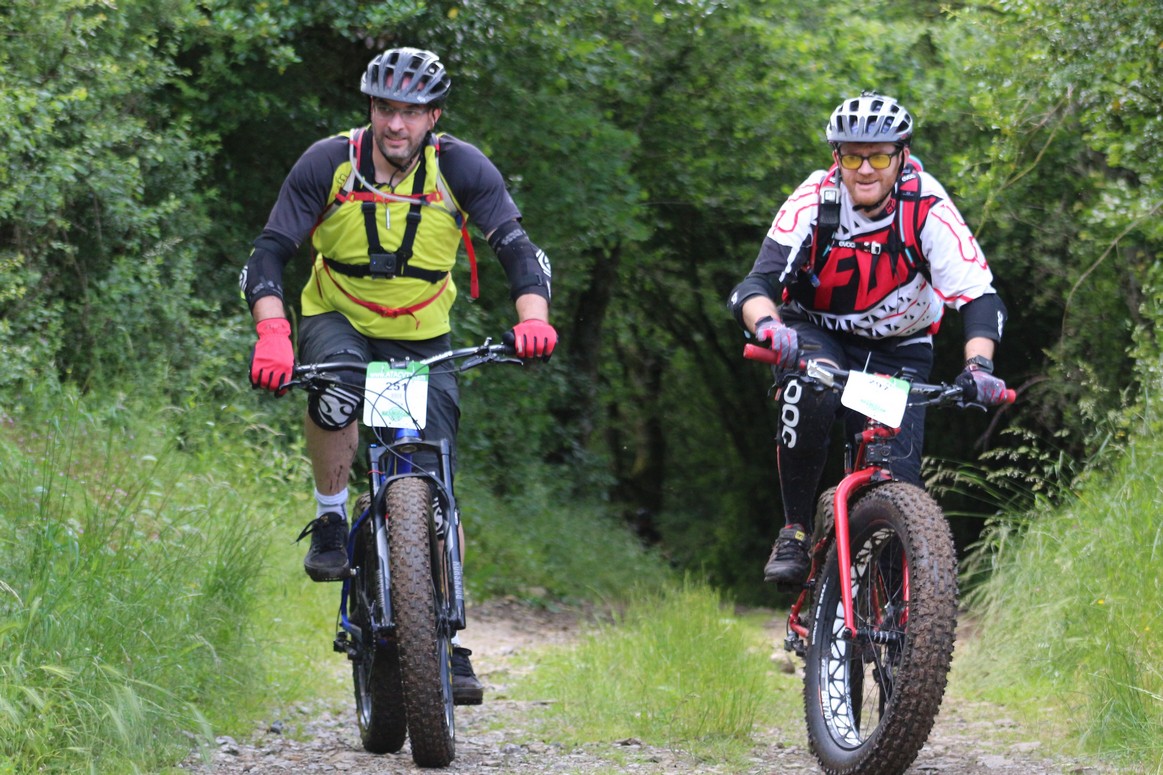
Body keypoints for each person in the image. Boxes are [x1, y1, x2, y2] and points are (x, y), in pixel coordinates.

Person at [241, 47, 556, 704]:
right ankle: (332, 516)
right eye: (386, 108)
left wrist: (533, 319)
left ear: (433, 117)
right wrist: (272, 333)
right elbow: (268, 254)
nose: (395, 124)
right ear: (370, 109)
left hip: (416, 335)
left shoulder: (459, 168)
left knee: (425, 476)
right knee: (336, 391)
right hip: (338, 315)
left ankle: (445, 633)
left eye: (411, 112)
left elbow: (517, 250)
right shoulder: (328, 162)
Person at [728, 91, 1009, 586]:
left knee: (899, 479)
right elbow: (755, 286)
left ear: (902, 156)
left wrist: (979, 367)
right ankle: (794, 530)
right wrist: (769, 327)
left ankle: (896, 608)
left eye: (878, 157)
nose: (864, 170)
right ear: (836, 156)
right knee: (808, 392)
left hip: (898, 348)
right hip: (816, 332)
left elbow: (979, 297)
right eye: (852, 156)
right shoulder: (815, 199)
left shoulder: (926, 206)